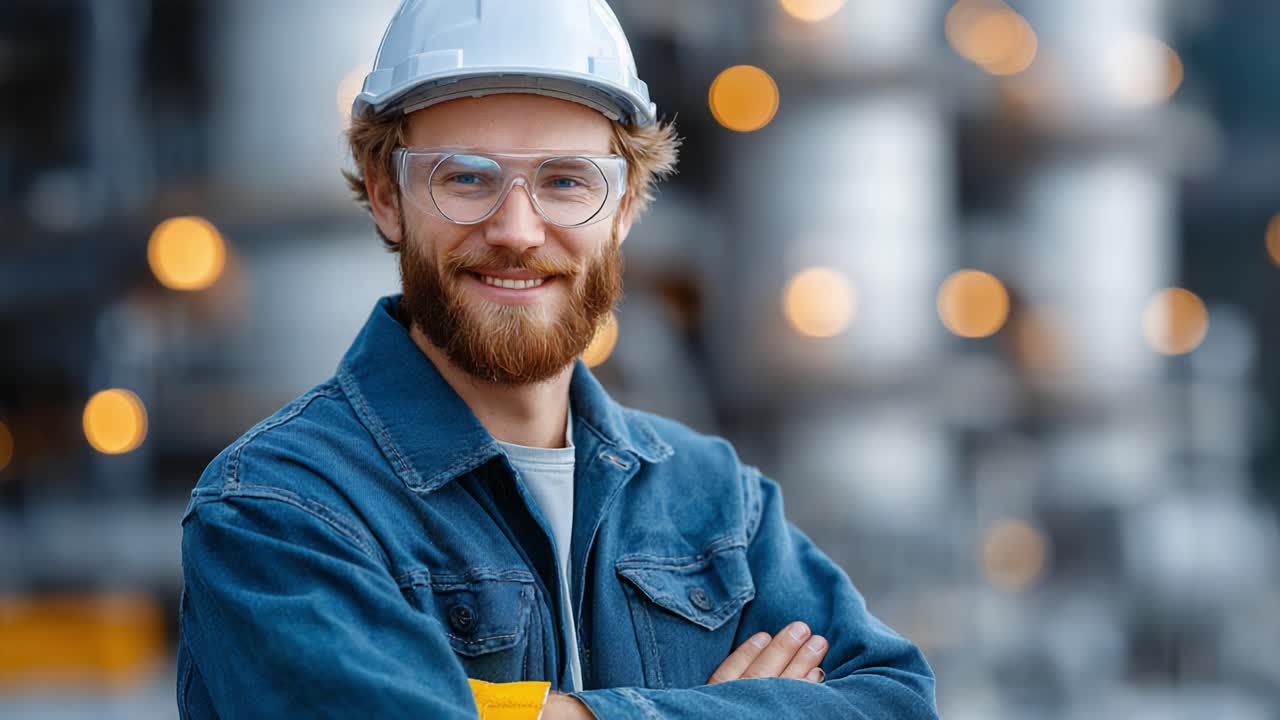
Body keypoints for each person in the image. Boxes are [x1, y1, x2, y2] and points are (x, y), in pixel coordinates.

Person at [175, 1, 938, 718]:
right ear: (385, 197)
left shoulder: (716, 505)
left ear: (627, 205)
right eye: (466, 178)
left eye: (566, 181)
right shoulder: (278, 510)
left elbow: (895, 699)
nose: (516, 228)